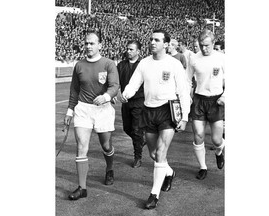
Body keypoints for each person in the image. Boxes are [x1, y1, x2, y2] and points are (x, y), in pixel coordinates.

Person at [121, 29, 190, 209]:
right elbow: (134, 84)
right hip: (149, 110)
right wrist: (125, 95)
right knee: (153, 154)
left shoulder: (174, 64)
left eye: (157, 40)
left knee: (160, 153)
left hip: (167, 110)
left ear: (166, 44)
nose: (152, 42)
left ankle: (154, 195)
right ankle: (169, 172)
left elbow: (183, 91)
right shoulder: (144, 63)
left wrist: (185, 116)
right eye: (151, 39)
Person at [64, 30, 120, 200]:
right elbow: (74, 89)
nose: (88, 46)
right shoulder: (79, 65)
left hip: (103, 109)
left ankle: (109, 168)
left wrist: (106, 96)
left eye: (92, 43)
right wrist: (69, 110)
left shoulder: (109, 64)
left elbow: (114, 85)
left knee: (106, 146)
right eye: (86, 43)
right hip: (83, 109)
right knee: (81, 146)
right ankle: (82, 188)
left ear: (100, 45)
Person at [187, 29, 225, 180]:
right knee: (198, 135)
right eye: (202, 45)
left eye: (207, 45)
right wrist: (186, 98)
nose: (204, 48)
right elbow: (187, 80)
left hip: (216, 101)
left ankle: (219, 151)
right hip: (199, 100)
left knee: (216, 140)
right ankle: (203, 166)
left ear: (213, 43)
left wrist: (225, 96)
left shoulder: (222, 58)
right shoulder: (194, 59)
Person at [117, 40, 146, 168]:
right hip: (126, 102)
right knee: (127, 128)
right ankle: (141, 141)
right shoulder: (121, 65)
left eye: (131, 49)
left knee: (136, 129)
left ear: (138, 51)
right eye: (127, 49)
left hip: (139, 101)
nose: (128, 51)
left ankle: (137, 157)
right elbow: (115, 82)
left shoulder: (143, 65)